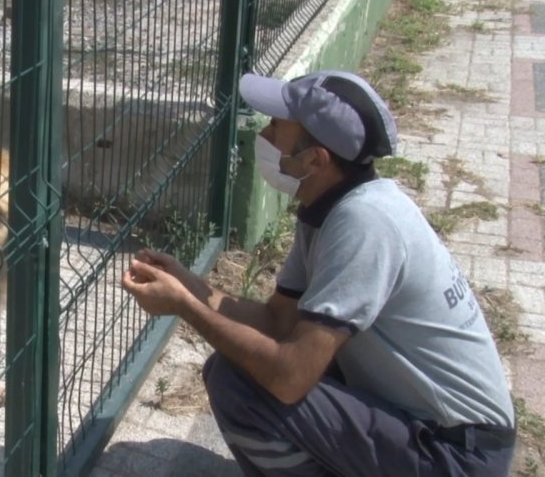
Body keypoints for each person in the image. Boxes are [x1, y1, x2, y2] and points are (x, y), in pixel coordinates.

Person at [121, 70, 516, 476]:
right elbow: (278, 321)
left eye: (277, 126)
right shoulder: (332, 208)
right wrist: (192, 286)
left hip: (458, 455)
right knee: (238, 369)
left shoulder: (364, 224)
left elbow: (289, 377)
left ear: (315, 159)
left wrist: (185, 308)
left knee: (241, 387)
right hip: (434, 429)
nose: (267, 136)